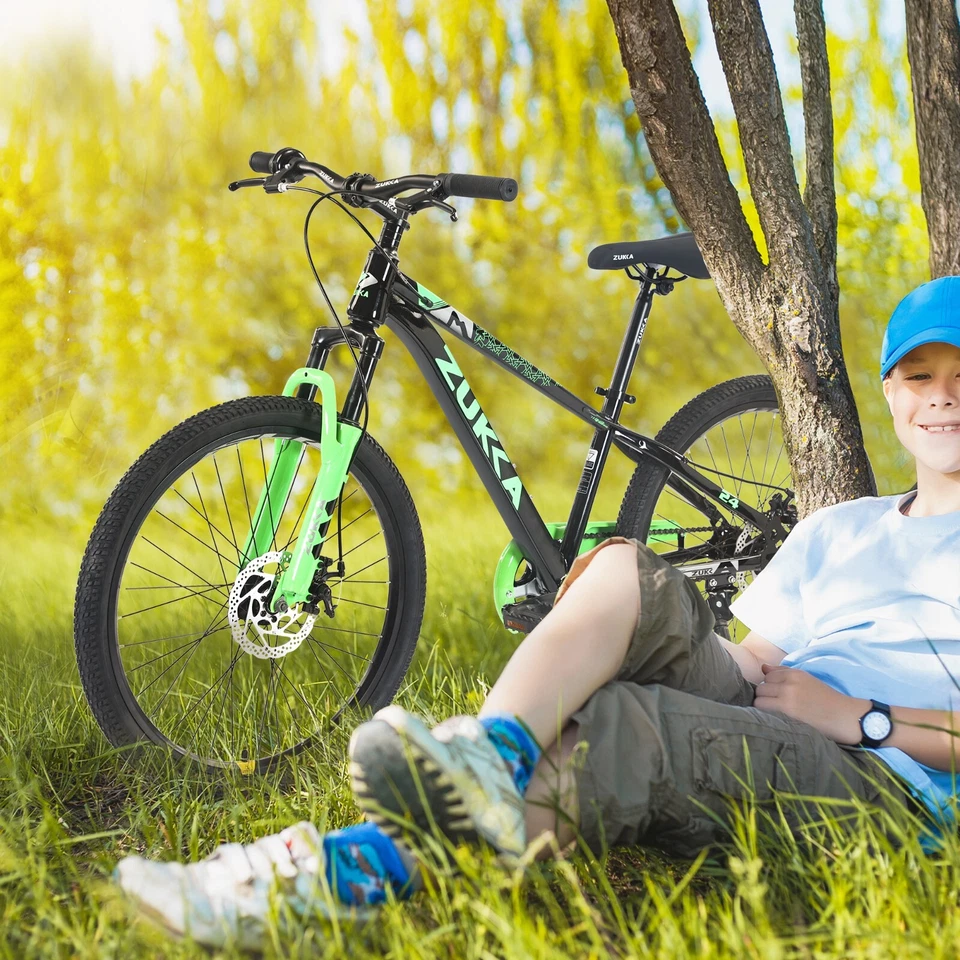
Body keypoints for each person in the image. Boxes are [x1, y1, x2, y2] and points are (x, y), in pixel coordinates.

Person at [114, 277, 960, 950]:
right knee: (626, 569)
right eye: (920, 377)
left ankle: (331, 876)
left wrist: (865, 719)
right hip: (786, 706)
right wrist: (617, 630)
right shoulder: (836, 529)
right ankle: (494, 751)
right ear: (889, 395)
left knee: (630, 727)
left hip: (884, 782)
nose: (941, 398)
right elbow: (752, 662)